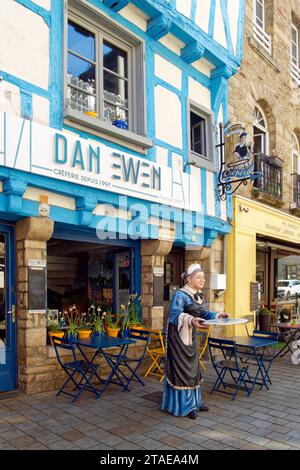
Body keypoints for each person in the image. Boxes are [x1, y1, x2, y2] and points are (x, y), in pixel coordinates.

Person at [161, 263, 229, 420]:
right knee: (183, 371)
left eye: (203, 277)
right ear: (189, 279)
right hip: (178, 338)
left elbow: (203, 313)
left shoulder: (199, 295)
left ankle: (196, 402)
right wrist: (191, 320)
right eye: (198, 277)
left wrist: (218, 315)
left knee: (194, 369)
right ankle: (185, 406)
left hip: (191, 337)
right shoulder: (180, 295)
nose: (202, 280)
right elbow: (174, 315)